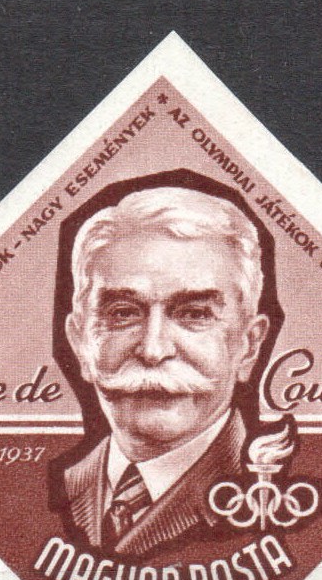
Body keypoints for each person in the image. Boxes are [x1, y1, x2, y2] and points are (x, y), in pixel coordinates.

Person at [61, 186, 272, 557]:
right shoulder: (57, 490)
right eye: (123, 314)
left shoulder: (264, 491)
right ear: (80, 343)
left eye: (194, 314)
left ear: (248, 345)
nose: (153, 350)